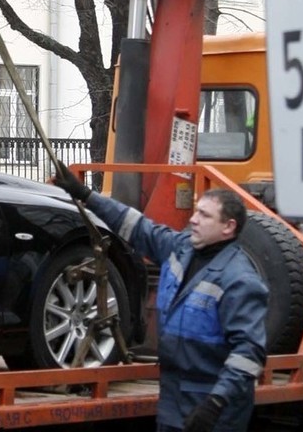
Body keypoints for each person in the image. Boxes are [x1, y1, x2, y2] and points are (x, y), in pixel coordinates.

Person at [59, 177, 268, 432]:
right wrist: (86, 195)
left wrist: (217, 402)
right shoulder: (181, 249)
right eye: (195, 212)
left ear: (228, 227)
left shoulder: (240, 280)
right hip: (173, 395)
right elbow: (136, 226)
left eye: (204, 215)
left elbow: (248, 354)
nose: (193, 220)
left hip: (215, 406)